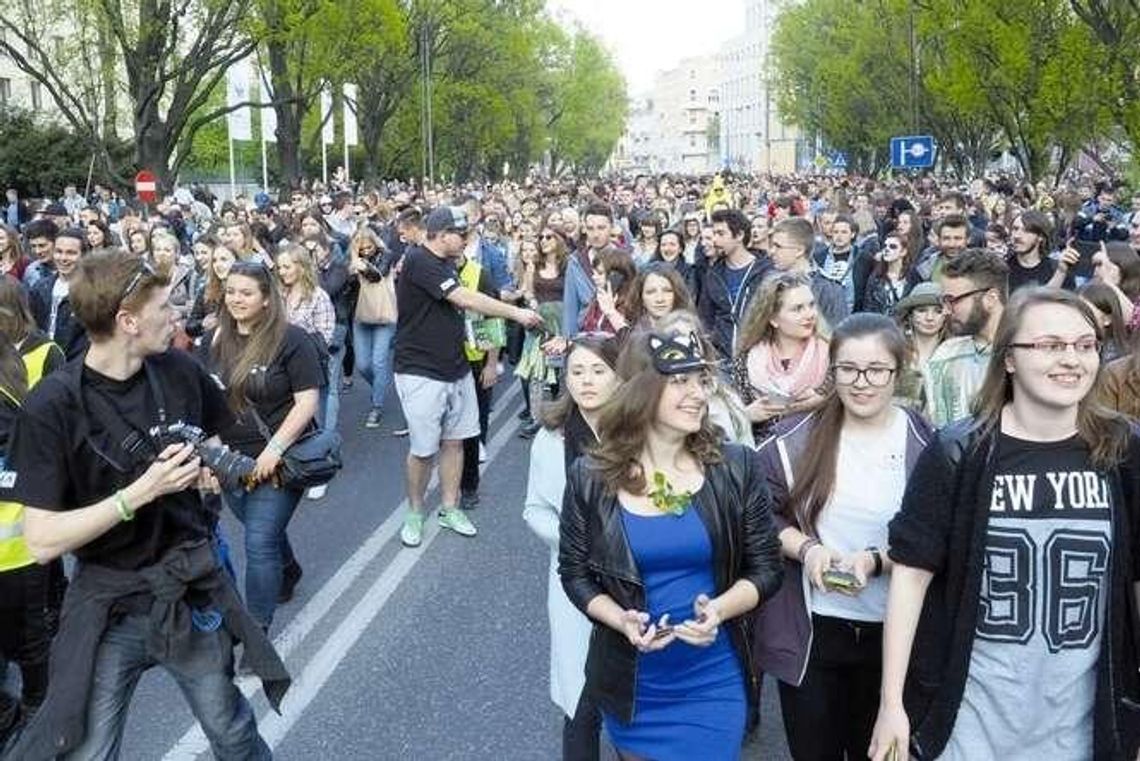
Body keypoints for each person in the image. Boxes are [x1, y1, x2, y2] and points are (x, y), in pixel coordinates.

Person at [2, 250, 287, 760]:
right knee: (86, 751)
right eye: (164, 306)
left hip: (187, 592)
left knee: (233, 734)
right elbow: (41, 540)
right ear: (127, 321)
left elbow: (226, 442)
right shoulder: (52, 405)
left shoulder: (178, 369)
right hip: (108, 606)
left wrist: (217, 469)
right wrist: (141, 492)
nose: (176, 313)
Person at [868, 287, 1140, 761]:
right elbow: (910, 578)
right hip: (971, 721)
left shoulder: (1122, 450)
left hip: (1082, 726)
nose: (1072, 359)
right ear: (1009, 359)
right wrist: (892, 703)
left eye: (1085, 344)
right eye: (1051, 346)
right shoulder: (961, 451)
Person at [559, 329, 784, 761]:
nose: (698, 393)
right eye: (680, 381)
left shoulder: (736, 466)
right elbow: (575, 572)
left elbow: (766, 568)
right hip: (633, 686)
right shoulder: (590, 475)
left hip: (711, 677)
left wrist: (719, 610)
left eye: (700, 380)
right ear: (642, 389)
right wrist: (620, 619)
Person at [753, 314, 934, 761]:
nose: (862, 383)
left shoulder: (929, 445)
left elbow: (938, 535)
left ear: (899, 369)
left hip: (896, 635)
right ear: (831, 371)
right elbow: (760, 517)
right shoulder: (790, 443)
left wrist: (875, 560)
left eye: (877, 370)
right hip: (815, 633)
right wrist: (807, 548)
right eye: (848, 370)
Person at [393, 206, 541, 548]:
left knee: (456, 441)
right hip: (421, 370)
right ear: (440, 234)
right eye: (461, 233)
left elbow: (475, 305)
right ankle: (415, 512)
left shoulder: (447, 263)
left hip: (456, 366)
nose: (467, 239)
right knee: (423, 449)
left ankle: (449, 507)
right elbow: (463, 298)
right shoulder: (419, 260)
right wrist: (517, 312)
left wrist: (492, 353)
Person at [523, 333, 621, 761]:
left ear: (620, 377)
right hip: (575, 583)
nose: (587, 381)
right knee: (580, 703)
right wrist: (573, 542)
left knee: (634, 704)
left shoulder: (641, 433)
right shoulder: (553, 438)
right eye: (577, 372)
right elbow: (534, 509)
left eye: (599, 371)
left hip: (636, 583)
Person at [209, 259, 323, 627]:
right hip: (230, 462)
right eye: (230, 292)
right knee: (263, 531)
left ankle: (258, 633)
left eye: (246, 293)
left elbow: (308, 401)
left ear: (266, 300)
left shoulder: (293, 339)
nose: (236, 299)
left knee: (258, 542)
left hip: (279, 461)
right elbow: (207, 398)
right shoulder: (216, 338)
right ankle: (288, 570)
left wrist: (274, 449)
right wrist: (211, 456)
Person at [732, 273, 830, 438]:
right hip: (764, 454)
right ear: (773, 319)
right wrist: (746, 415)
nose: (809, 314)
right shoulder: (746, 360)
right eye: (797, 309)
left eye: (811, 305)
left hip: (818, 448)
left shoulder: (833, 355)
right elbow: (727, 424)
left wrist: (824, 401)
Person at [924, 249, 1008, 427]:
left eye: (952, 301)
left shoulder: (1028, 353)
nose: (946, 310)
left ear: (991, 298)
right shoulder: (945, 354)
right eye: (943, 302)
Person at [697, 208, 771, 358]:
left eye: (721, 234)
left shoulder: (767, 272)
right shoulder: (713, 275)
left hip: (759, 361)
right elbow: (705, 319)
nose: (715, 240)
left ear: (739, 235)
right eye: (714, 234)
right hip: (723, 361)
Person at [347, 227, 397, 429]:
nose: (366, 250)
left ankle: (376, 406)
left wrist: (360, 265)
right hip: (361, 315)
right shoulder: (352, 259)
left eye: (369, 247)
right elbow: (347, 285)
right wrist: (351, 267)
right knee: (363, 365)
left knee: (378, 362)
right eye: (362, 248)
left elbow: (378, 275)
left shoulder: (386, 254)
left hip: (384, 315)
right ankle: (380, 386)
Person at [767, 217, 849, 333]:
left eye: (778, 246)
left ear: (799, 250)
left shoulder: (829, 290)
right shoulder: (770, 284)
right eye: (772, 246)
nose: (771, 252)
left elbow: (837, 338)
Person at [28, 227, 88, 359]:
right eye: (59, 252)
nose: (63, 258)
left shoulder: (92, 293)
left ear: (83, 255)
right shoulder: (40, 288)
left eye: (71, 253)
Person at [892, 282, 948, 411]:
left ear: (946, 316)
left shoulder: (954, 353)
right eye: (922, 311)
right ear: (910, 315)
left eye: (938, 312)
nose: (930, 318)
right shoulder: (894, 352)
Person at [625, 264, 694, 330]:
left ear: (677, 294)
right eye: (651, 292)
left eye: (667, 291)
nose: (660, 299)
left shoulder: (691, 332)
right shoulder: (629, 336)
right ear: (641, 298)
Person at [862, 232, 914, 315]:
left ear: (903, 252)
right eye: (884, 246)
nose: (887, 249)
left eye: (893, 247)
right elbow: (868, 308)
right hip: (880, 324)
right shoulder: (876, 277)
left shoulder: (913, 277)